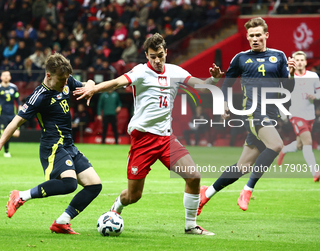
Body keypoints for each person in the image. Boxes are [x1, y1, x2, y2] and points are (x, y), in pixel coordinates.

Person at [74, 33, 223, 236]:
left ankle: (190, 226)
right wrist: (94, 89)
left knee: (194, 176)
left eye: (160, 55)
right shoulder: (140, 72)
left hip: (166, 138)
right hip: (143, 139)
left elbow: (202, 88)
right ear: (146, 55)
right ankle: (116, 208)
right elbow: (117, 82)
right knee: (134, 196)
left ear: (166, 52)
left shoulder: (175, 71)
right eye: (152, 56)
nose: (157, 60)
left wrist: (214, 78)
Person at [0, 53, 102, 235]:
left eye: (67, 79)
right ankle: (21, 196)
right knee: (70, 184)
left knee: (95, 185)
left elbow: (87, 85)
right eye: (62, 80)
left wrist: (90, 84)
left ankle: (62, 221)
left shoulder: (66, 80)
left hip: (69, 145)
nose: (65, 83)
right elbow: (16, 122)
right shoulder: (38, 96)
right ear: (49, 75)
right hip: (52, 146)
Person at [198, 17, 296, 214]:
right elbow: (226, 83)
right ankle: (247, 190)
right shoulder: (240, 58)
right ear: (247, 37)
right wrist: (224, 102)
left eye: (258, 35)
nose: (255, 39)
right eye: (251, 36)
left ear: (266, 35)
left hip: (270, 115)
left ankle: (205, 194)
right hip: (251, 112)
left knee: (243, 166)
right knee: (276, 145)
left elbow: (288, 88)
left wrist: (291, 75)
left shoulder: (279, 57)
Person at [276, 51, 320, 181]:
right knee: (308, 142)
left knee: (301, 145)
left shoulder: (313, 76)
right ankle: (315, 172)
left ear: (306, 62)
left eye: (302, 60)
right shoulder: (289, 77)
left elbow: (319, 92)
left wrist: (315, 96)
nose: (300, 62)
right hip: (296, 114)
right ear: (293, 62)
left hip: (310, 115)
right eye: (297, 60)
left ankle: (284, 150)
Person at [0, 71, 22, 157]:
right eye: (4, 75)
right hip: (2, 114)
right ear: (1, 77)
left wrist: (19, 106)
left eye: (7, 75)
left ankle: (4, 134)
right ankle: (6, 151)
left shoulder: (14, 87)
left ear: (10, 77)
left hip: (12, 113)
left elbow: (17, 99)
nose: (6, 77)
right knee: (6, 133)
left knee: (16, 134)